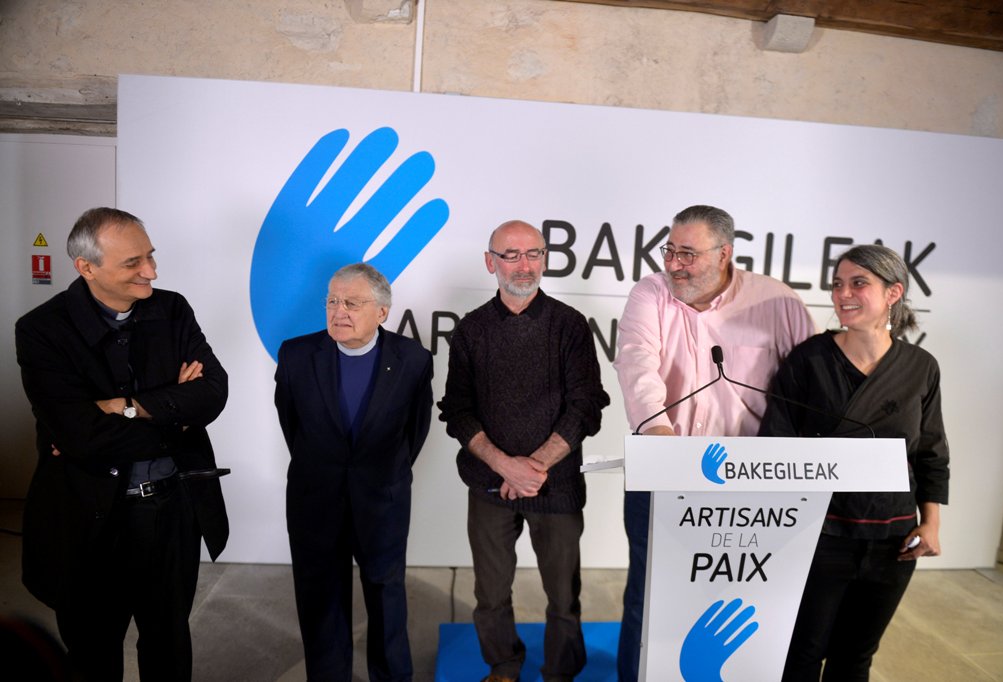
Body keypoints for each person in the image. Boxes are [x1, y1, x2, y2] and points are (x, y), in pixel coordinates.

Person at [15, 207, 230, 681]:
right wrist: (175, 413)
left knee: (169, 640)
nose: (150, 271)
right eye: (133, 263)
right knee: (93, 648)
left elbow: (213, 391)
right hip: (89, 517)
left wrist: (123, 406)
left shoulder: (172, 308)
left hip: (172, 511)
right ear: (86, 267)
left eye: (150, 256)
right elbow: (82, 437)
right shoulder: (41, 330)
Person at [613, 204, 815, 681]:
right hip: (665, 471)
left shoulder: (777, 302)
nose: (674, 264)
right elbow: (636, 362)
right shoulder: (651, 293)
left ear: (724, 253)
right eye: (669, 251)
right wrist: (659, 434)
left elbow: (812, 381)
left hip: (750, 480)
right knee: (648, 593)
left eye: (688, 254)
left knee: (742, 597)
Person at [758, 244, 949, 681]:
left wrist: (931, 522)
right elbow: (778, 442)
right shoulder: (809, 359)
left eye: (859, 283)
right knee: (801, 654)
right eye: (838, 284)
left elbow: (931, 451)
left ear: (893, 293)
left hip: (894, 540)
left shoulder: (921, 367)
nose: (843, 294)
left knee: (856, 656)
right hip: (820, 535)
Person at [438, 220, 609, 682]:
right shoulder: (472, 329)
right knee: (491, 592)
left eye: (533, 253)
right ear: (490, 262)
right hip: (489, 483)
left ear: (546, 258)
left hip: (557, 483)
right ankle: (504, 664)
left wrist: (534, 467)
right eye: (510, 255)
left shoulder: (569, 325)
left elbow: (587, 405)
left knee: (563, 595)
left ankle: (560, 672)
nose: (523, 264)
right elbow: (456, 410)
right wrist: (504, 466)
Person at [274, 263, 433, 681]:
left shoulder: (413, 360)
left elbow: (414, 432)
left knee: (387, 599)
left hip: (383, 500)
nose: (338, 311)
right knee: (320, 601)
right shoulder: (295, 355)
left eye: (351, 303)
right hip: (315, 498)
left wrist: (380, 475)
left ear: (382, 312)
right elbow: (292, 425)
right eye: (331, 301)